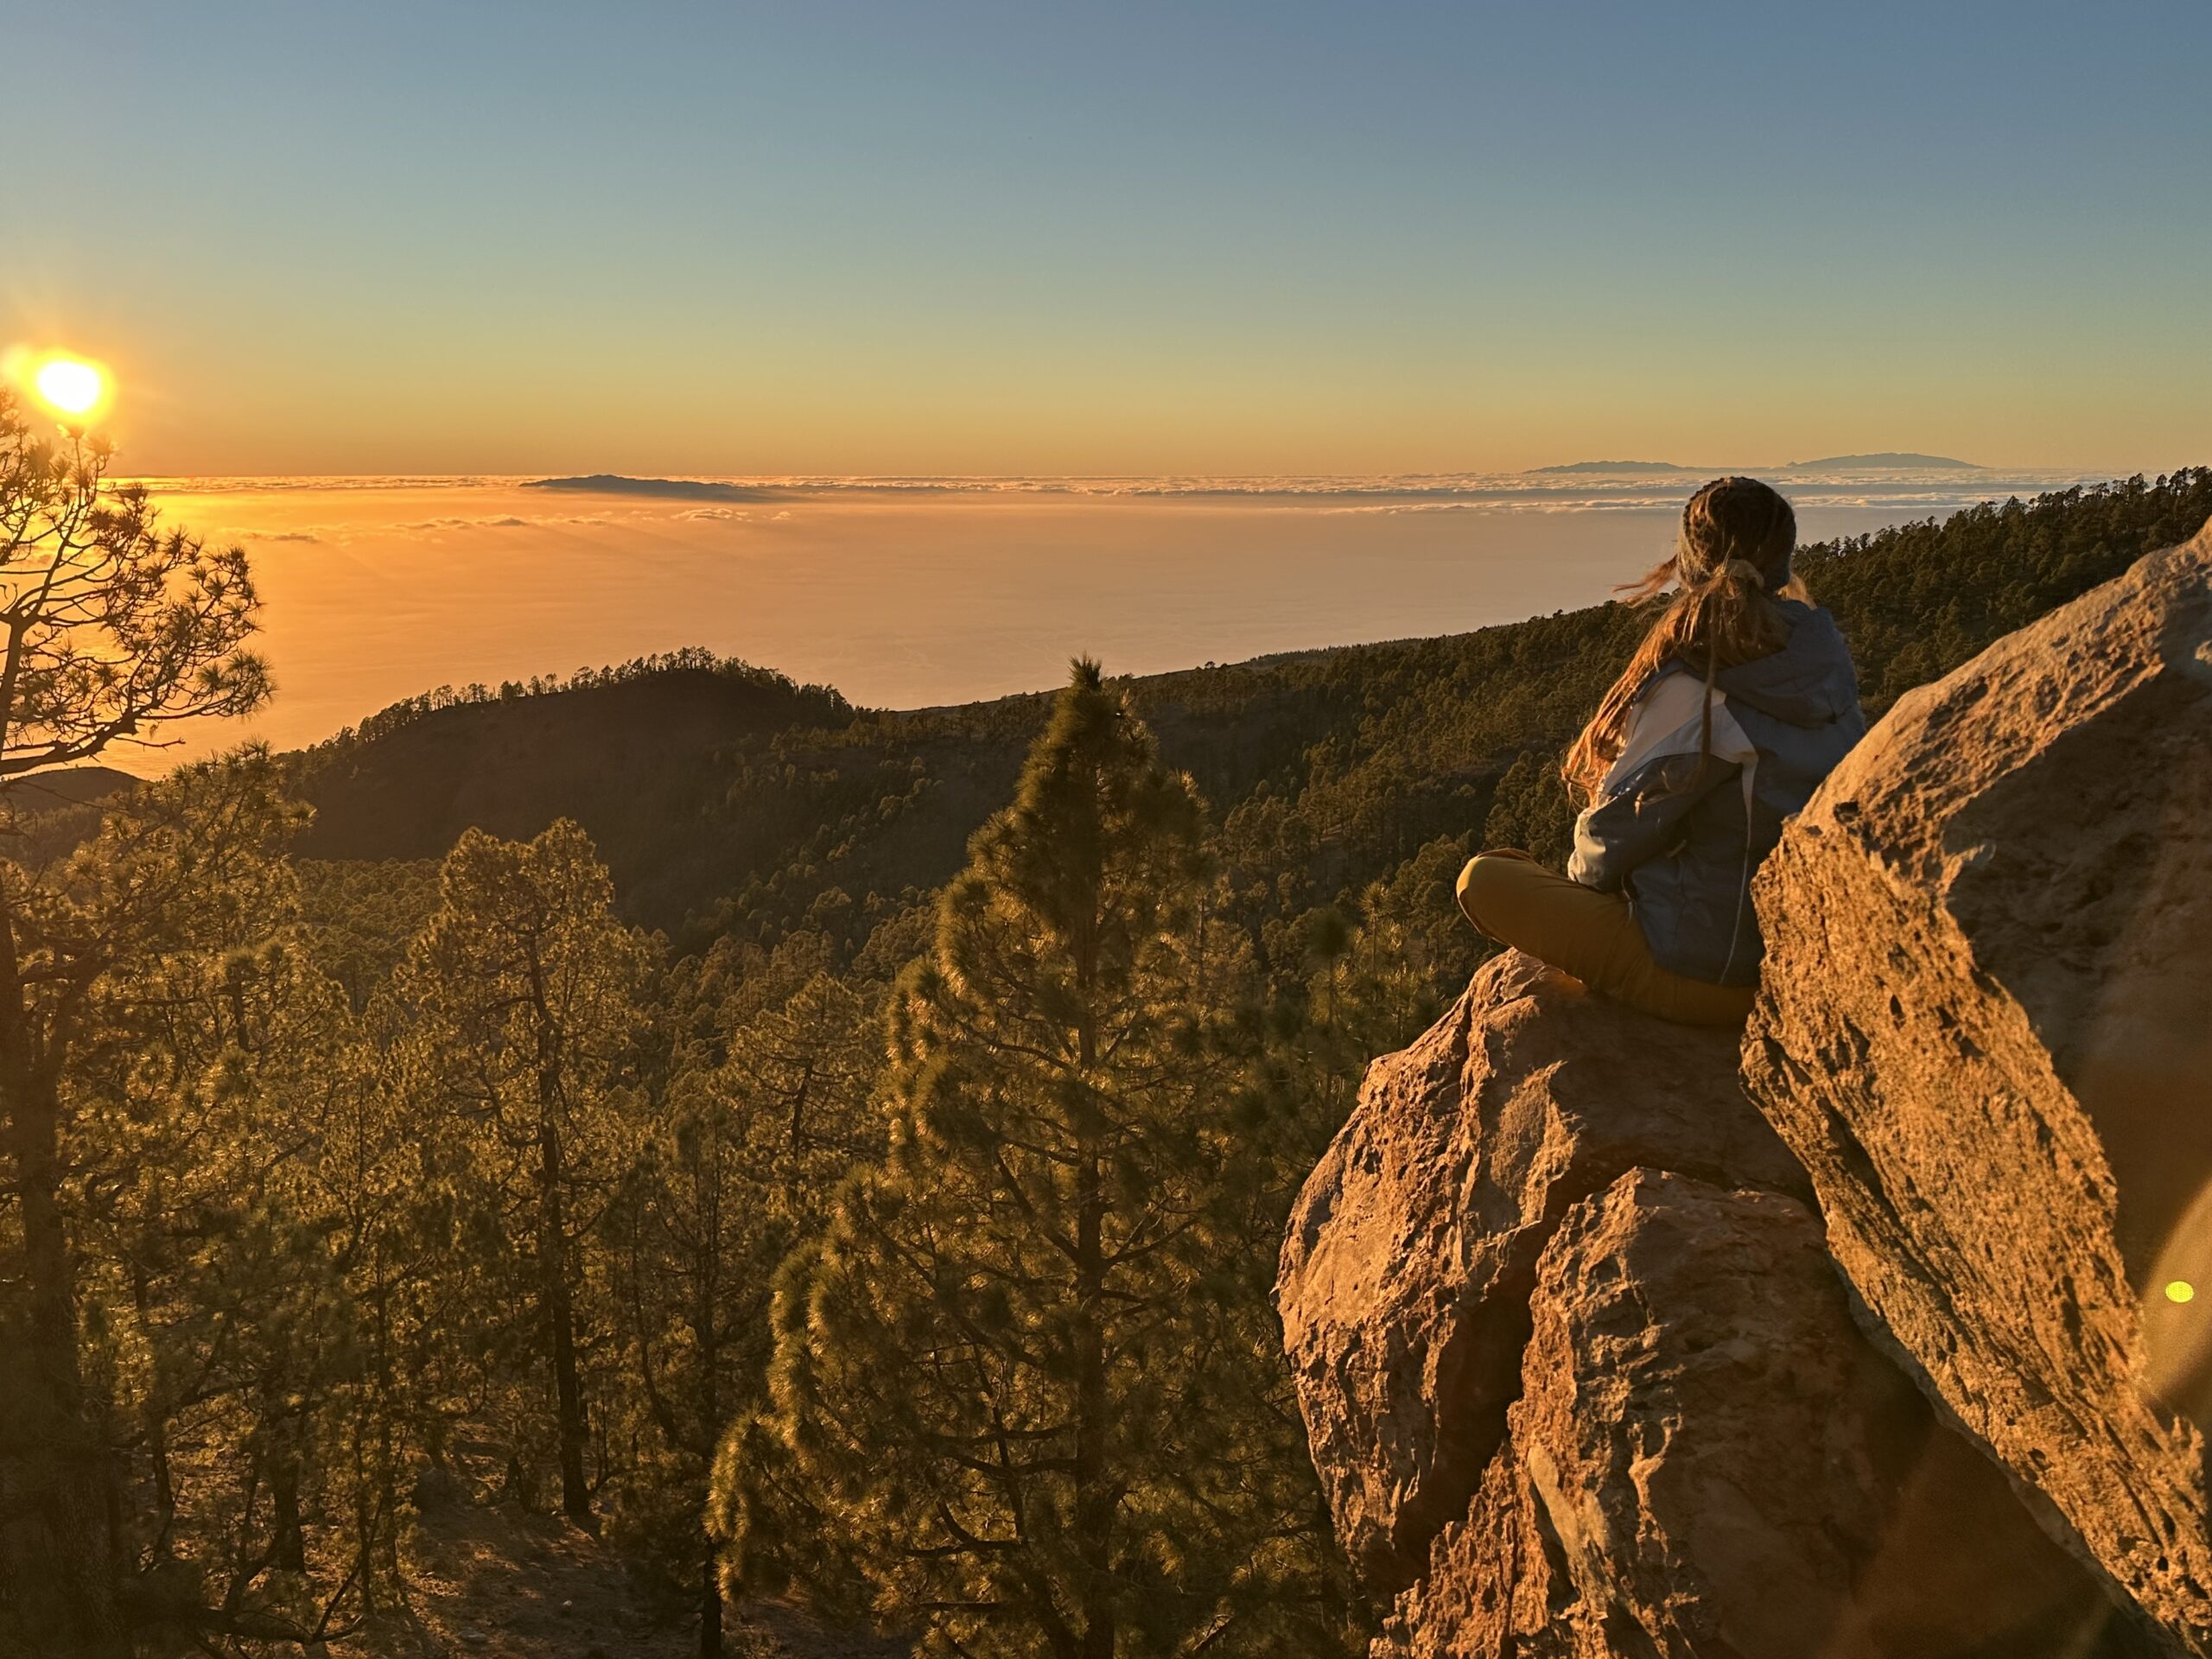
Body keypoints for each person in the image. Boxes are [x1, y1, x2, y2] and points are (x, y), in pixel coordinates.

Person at [1455, 476, 1865, 1026]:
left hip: (1707, 975)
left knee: (1484, 879)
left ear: (1688, 564)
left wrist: (1588, 895)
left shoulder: (1699, 687)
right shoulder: (1826, 666)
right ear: (1783, 563)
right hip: (1802, 962)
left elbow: (1609, 841)